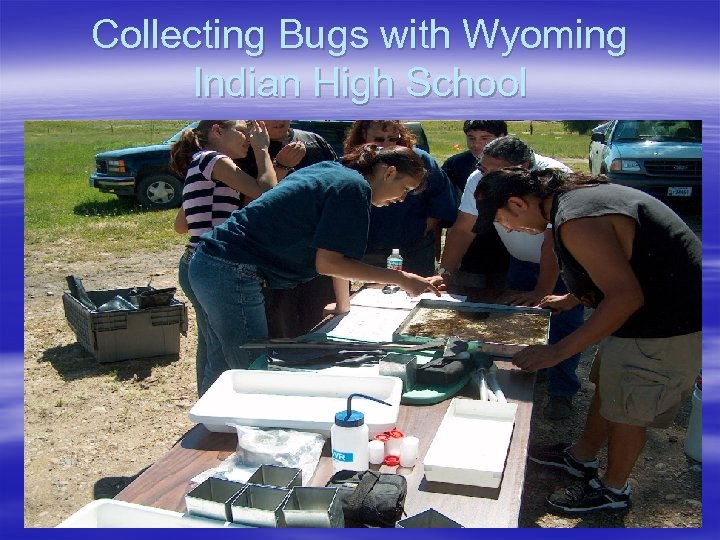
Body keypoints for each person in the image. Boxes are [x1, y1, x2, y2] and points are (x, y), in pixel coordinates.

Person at [473, 167, 701, 513]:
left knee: (629, 410)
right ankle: (582, 457)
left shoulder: (576, 218)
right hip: (645, 313)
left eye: (501, 218)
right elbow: (624, 261)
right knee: (612, 389)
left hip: (667, 323)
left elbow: (625, 296)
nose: (505, 227)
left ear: (518, 202)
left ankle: (613, 492)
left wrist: (557, 352)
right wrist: (572, 298)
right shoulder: (572, 201)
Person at [189, 145, 440, 394]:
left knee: (222, 360)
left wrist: (344, 306)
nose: (402, 198)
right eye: (404, 188)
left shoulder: (332, 171)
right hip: (231, 269)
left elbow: (336, 255)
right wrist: (401, 279)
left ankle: (210, 428)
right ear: (389, 172)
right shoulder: (353, 187)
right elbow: (330, 263)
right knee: (252, 368)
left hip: (210, 262)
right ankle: (241, 432)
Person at [446, 136, 582, 420]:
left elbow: (553, 243)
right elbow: (463, 228)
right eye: (482, 169)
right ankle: (530, 378)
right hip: (520, 262)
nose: (483, 175)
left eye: (491, 171)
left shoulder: (554, 180)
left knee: (563, 328)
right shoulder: (480, 176)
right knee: (521, 328)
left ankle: (562, 393)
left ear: (519, 169)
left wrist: (542, 292)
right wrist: (444, 272)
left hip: (564, 266)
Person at [171, 120, 276, 395]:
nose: (249, 136)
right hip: (215, 263)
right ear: (217, 131)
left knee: (213, 346)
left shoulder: (199, 164)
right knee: (228, 351)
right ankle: (210, 422)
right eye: (243, 131)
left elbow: (181, 225)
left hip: (193, 259)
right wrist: (262, 150)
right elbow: (268, 194)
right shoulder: (214, 160)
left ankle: (206, 416)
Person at [235, 120, 341, 338]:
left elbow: (336, 190)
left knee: (321, 326)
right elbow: (247, 208)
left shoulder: (314, 142)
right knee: (281, 331)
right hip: (272, 261)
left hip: (315, 254)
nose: (280, 119)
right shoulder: (244, 148)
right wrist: (280, 166)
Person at [343, 121, 458, 276]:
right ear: (363, 135)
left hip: (413, 250)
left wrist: (419, 230)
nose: (386, 145)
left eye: (393, 139)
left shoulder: (419, 161)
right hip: (366, 249)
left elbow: (440, 205)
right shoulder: (351, 164)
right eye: (378, 139)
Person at [441, 120, 510, 289]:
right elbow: (453, 219)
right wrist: (444, 270)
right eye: (471, 138)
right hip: (469, 252)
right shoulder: (455, 165)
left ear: (502, 137)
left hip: (509, 253)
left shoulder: (518, 164)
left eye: (485, 138)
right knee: (468, 307)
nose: (477, 144)